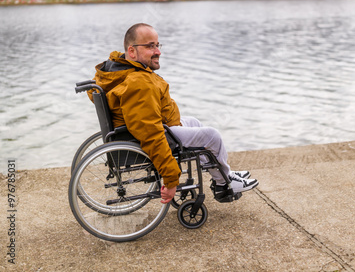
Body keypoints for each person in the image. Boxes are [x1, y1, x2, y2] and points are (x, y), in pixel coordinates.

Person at [88, 23, 258, 204]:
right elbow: (151, 134)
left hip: (148, 128)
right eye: (150, 46)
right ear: (131, 52)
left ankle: (225, 173)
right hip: (150, 136)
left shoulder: (122, 69)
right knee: (212, 136)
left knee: (193, 122)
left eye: (157, 45)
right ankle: (223, 184)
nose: (158, 52)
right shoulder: (138, 83)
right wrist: (170, 180)